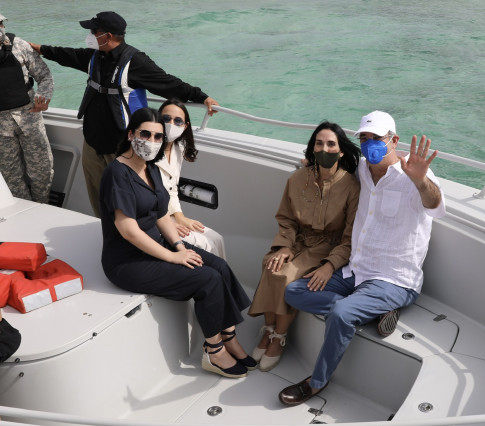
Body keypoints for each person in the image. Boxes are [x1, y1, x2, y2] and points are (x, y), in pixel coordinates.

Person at [278, 111, 445, 406]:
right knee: (294, 291)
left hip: (394, 279)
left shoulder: (413, 176)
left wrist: (420, 181)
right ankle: (371, 311)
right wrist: (309, 165)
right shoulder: (362, 171)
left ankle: (316, 382)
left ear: (394, 140)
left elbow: (435, 205)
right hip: (356, 271)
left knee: (341, 314)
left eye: (377, 138)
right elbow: (333, 168)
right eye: (364, 138)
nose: (369, 144)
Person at [99, 107, 254, 378]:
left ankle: (228, 334)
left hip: (157, 243)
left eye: (158, 136)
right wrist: (173, 257)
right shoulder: (117, 174)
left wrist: (180, 247)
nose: (152, 141)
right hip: (128, 259)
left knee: (219, 266)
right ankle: (214, 350)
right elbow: (128, 231)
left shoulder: (151, 167)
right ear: (131, 134)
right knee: (207, 279)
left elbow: (161, 216)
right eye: (145, 134)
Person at [29, 11, 220, 217]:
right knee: (99, 197)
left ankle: (128, 233)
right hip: (92, 143)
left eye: (94, 31)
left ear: (108, 36)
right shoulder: (93, 57)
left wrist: (202, 97)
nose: (90, 35)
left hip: (122, 147)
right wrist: (38, 48)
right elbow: (67, 55)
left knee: (125, 201)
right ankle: (104, 229)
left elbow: (167, 83)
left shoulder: (136, 62)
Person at [247, 121, 361, 372]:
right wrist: (284, 246)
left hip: (328, 246)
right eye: (319, 143)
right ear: (312, 147)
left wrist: (330, 266)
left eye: (331, 144)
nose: (324, 149)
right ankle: (268, 330)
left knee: (286, 275)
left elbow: (350, 237)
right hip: (298, 240)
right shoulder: (298, 178)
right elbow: (287, 219)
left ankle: (279, 336)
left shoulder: (351, 186)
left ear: (341, 150)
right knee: (271, 264)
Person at [157, 98, 226, 258]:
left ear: (185, 126)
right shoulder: (149, 151)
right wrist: (168, 223)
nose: (171, 124)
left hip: (171, 214)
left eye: (178, 121)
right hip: (155, 218)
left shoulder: (178, 148)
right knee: (205, 244)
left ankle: (221, 274)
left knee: (217, 239)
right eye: (166, 119)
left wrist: (180, 217)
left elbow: (172, 188)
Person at [0, 13, 54, 203]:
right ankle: (23, 210)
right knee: (10, 176)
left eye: (0, 23)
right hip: (1, 127)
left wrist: (43, 97)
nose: (0, 27)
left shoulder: (19, 45)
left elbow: (44, 76)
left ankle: (42, 206)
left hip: (29, 117)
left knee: (42, 171)